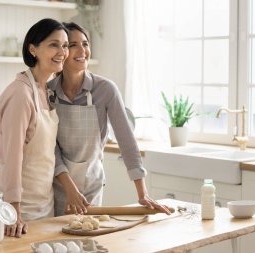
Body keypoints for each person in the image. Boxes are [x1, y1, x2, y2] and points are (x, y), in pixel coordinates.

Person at [48, 22, 171, 216]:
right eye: (73, 45)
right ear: (62, 51)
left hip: (91, 186)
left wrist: (142, 193)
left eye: (86, 44)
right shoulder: (49, 91)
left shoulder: (105, 89)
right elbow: (50, 147)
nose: (82, 50)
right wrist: (69, 188)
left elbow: (126, 140)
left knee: (87, 241)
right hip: (56, 185)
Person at [0, 18, 69, 238]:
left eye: (65, 45)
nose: (62, 51)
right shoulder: (21, 94)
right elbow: (13, 155)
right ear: (33, 49)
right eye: (54, 44)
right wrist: (13, 210)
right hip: (20, 209)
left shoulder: (46, 91)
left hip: (44, 202)